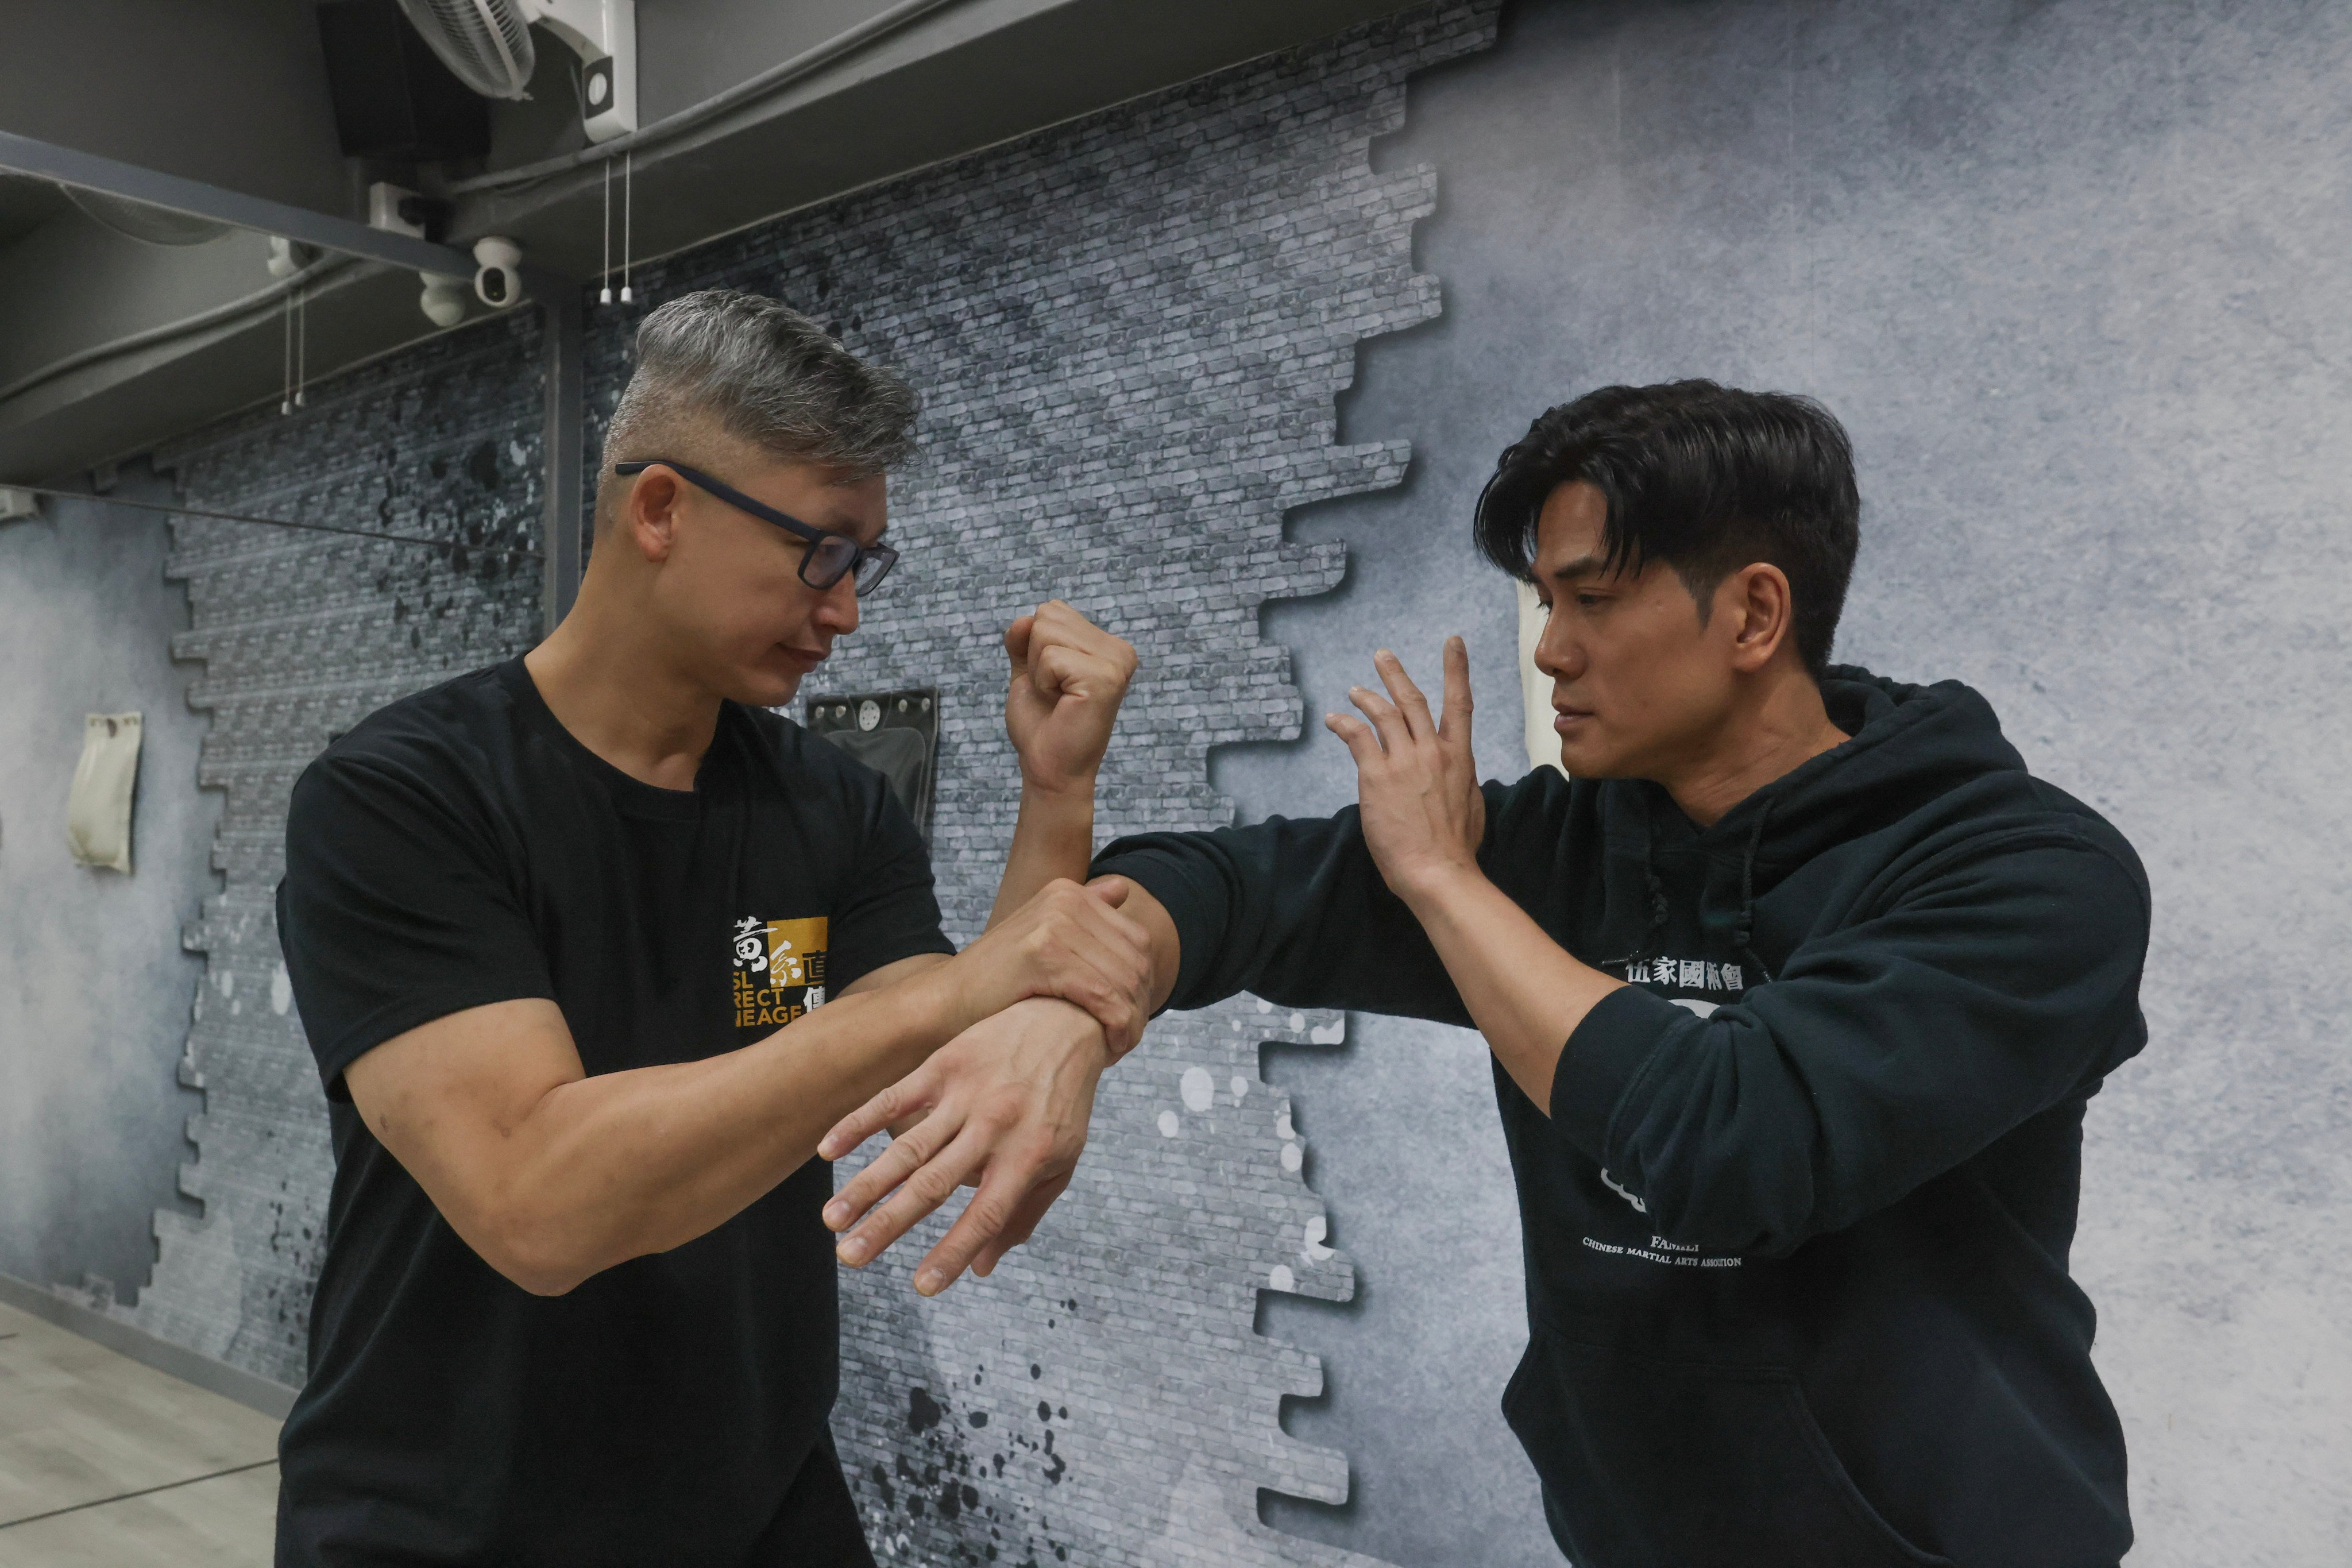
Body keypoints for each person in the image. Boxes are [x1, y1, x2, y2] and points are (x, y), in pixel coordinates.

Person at [824, 381, 2150, 1567]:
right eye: (1540, 602)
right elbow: (1226, 891)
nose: (1551, 652)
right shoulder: (1556, 847)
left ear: (1753, 612)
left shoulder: (2023, 876)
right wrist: (1070, 1006)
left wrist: (1445, 885)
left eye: (1592, 599)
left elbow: (1733, 1141)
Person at [272, 289, 1148, 1567]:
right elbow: (536, 1203)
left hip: (752, 1496)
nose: (846, 610)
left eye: (864, 564)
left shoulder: (830, 808)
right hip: (446, 1515)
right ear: (661, 510)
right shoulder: (401, 796)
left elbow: (952, 1070)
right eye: (821, 553)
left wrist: (1056, 795)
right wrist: (926, 1002)